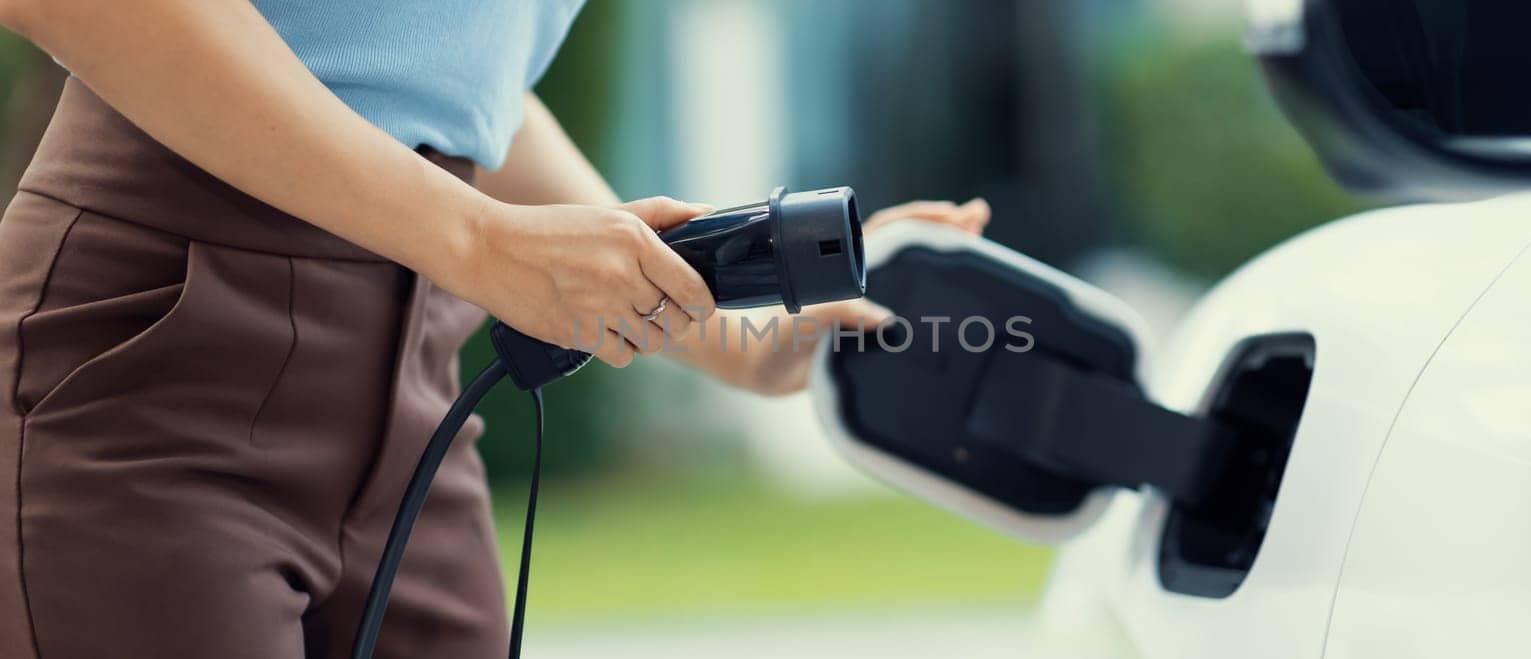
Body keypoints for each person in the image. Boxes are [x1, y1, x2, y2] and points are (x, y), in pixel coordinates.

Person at [0, 1, 991, 658]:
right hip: (158, 364)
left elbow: (461, 90)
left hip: (414, 397)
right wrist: (475, 239)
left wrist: (725, 339)